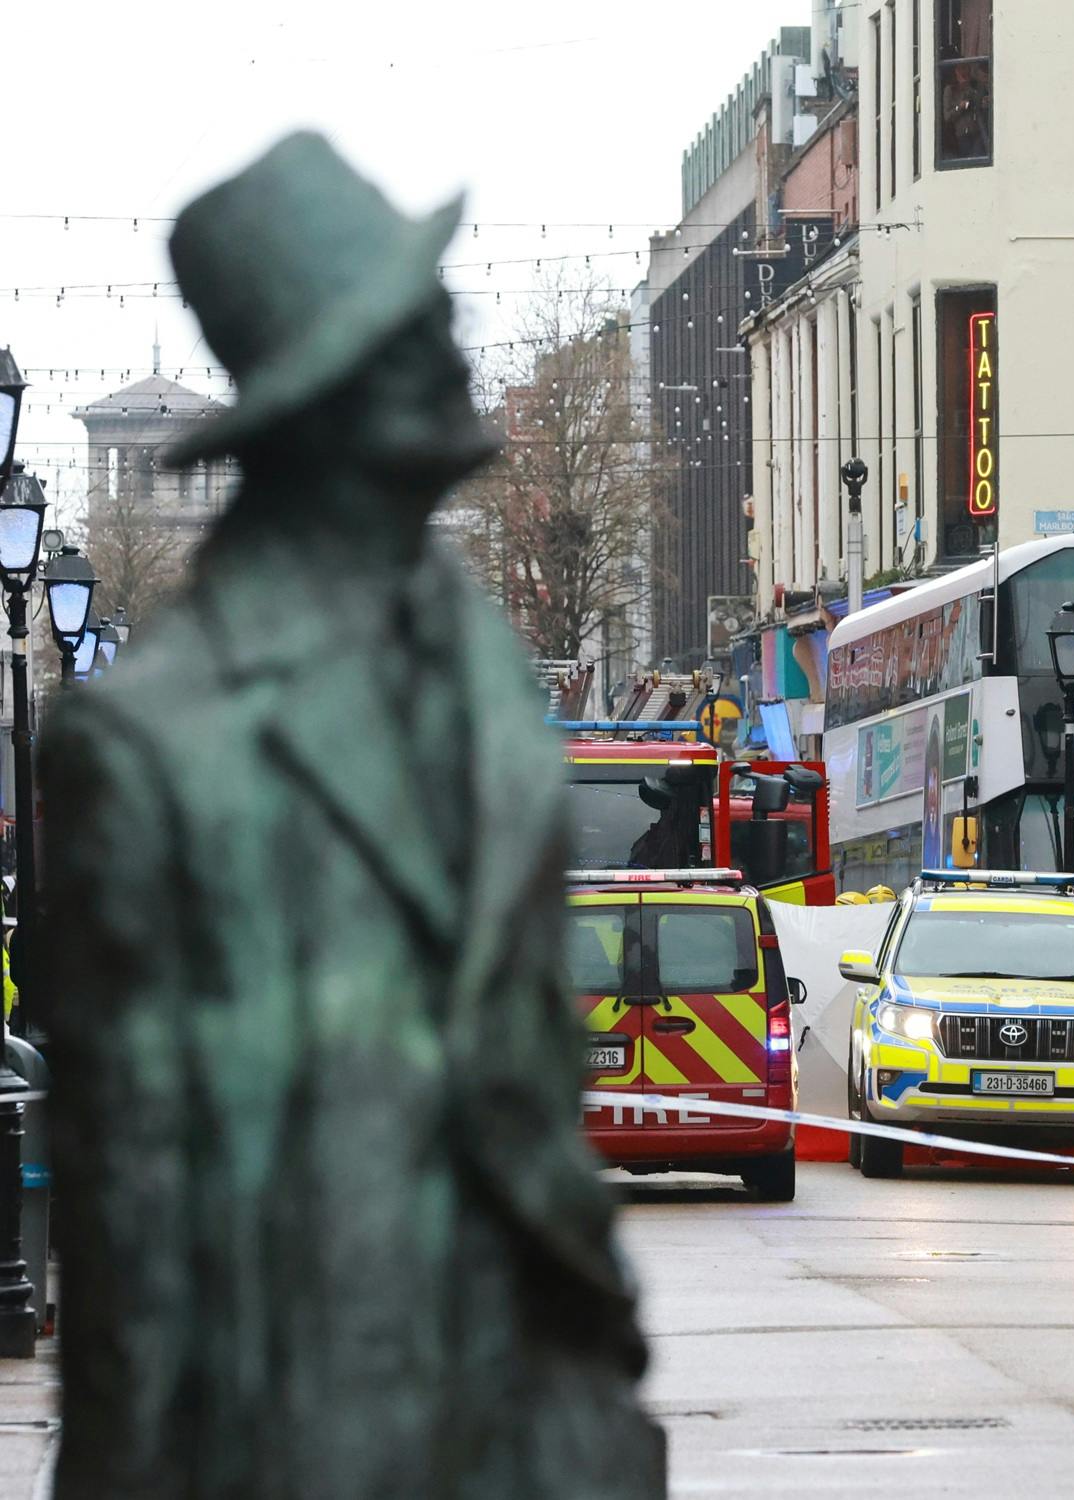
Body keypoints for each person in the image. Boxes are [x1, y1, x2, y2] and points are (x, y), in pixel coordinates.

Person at [41, 133, 661, 1499]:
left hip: (536, 1421)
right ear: (330, 394)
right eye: (409, 318)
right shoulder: (149, 741)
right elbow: (129, 1230)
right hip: (300, 1438)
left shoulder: (488, 670)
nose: (455, 336)